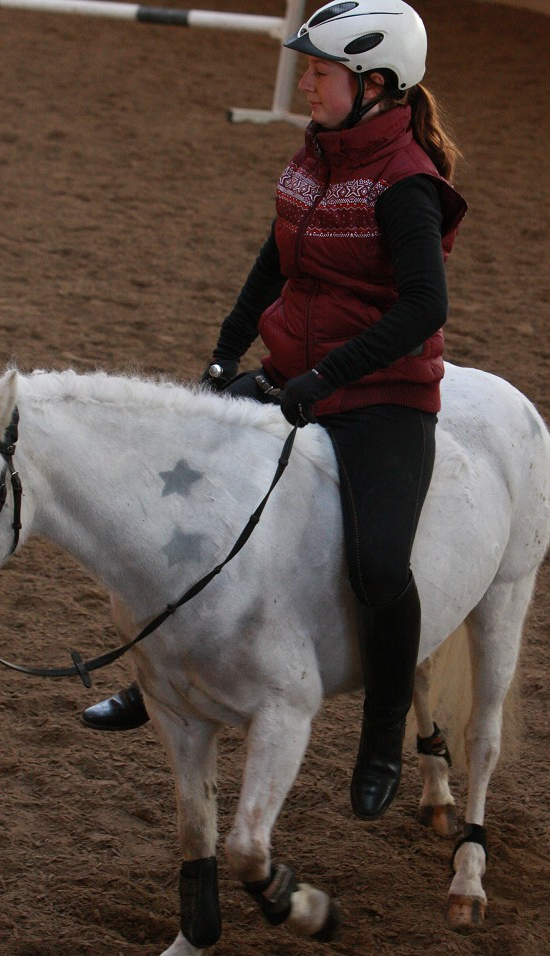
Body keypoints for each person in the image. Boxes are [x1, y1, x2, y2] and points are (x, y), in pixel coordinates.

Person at [82, 0, 467, 821]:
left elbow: (422, 309)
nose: (305, 83)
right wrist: (225, 356)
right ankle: (155, 683)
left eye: (319, 72)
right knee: (184, 498)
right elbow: (276, 255)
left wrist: (325, 375)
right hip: (298, 373)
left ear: (372, 84)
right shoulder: (315, 158)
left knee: (378, 567)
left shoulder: (406, 186)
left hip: (383, 397)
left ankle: (378, 735)